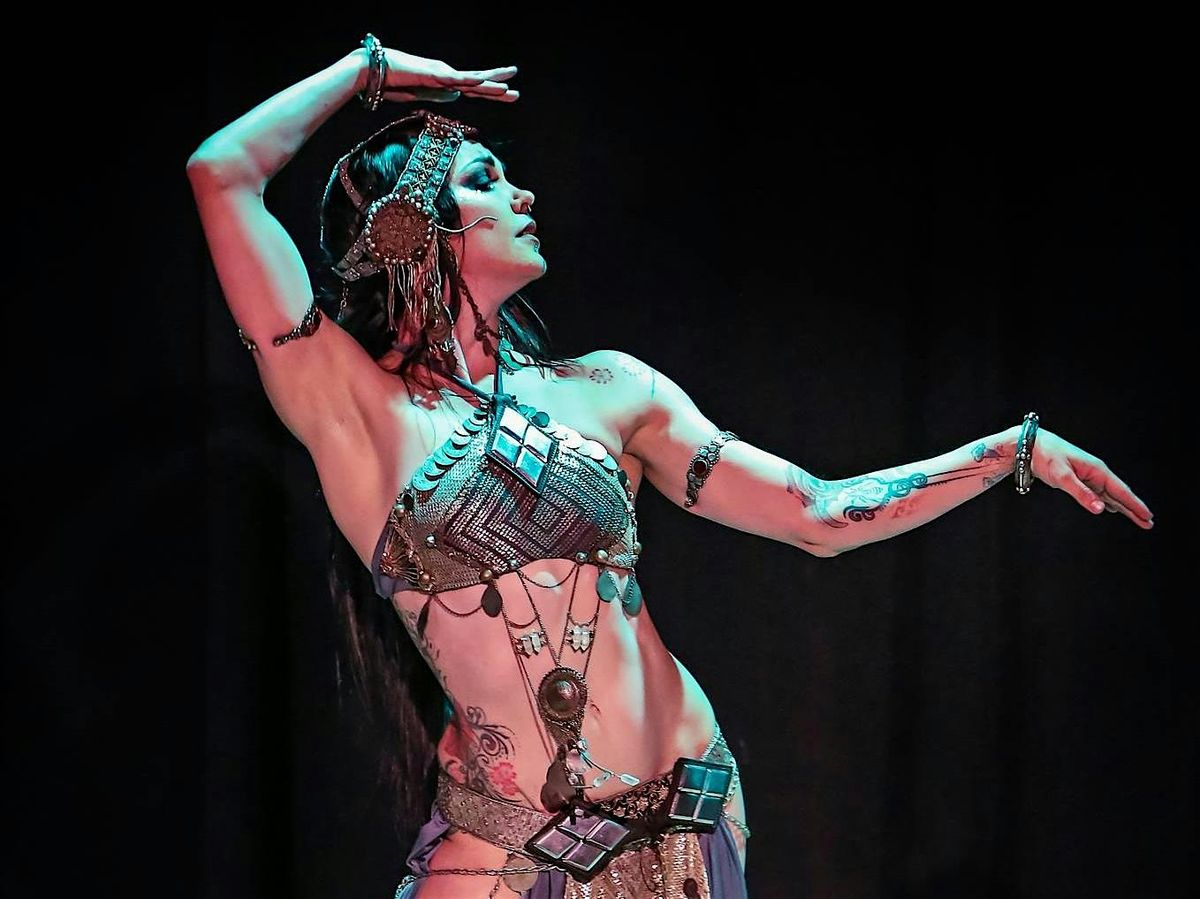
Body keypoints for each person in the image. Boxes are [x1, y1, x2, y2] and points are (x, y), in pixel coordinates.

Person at [186, 36, 1155, 899]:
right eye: (485, 179)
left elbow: (818, 513)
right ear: (409, 226)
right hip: (515, 840)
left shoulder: (612, 388)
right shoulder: (357, 410)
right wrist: (371, 72)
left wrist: (1006, 452)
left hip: (691, 810)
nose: (524, 196)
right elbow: (222, 173)